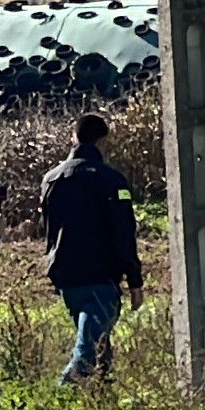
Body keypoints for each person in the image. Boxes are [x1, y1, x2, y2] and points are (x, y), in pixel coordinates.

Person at [40, 110, 145, 383]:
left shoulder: (51, 180)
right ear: (102, 142)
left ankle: (99, 407)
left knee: (99, 347)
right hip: (100, 276)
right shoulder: (111, 180)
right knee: (87, 351)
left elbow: (48, 230)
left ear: (73, 138)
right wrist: (134, 279)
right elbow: (124, 233)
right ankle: (59, 400)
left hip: (67, 277)